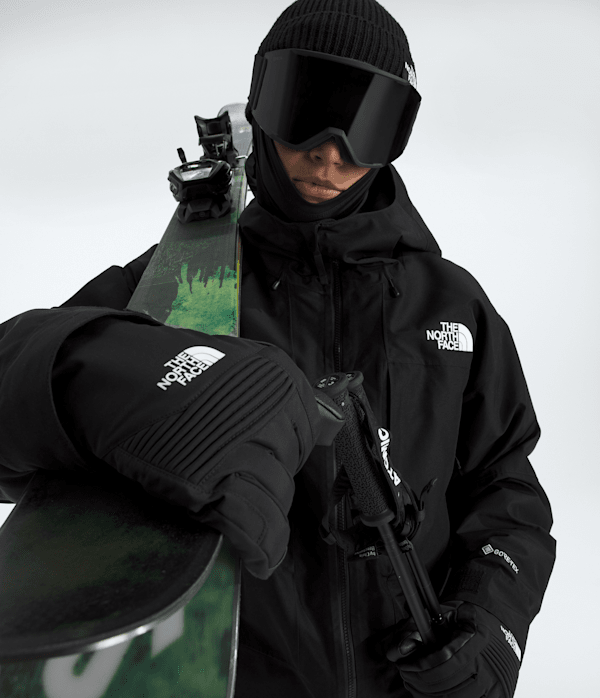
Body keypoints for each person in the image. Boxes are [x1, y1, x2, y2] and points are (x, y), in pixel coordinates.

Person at [0, 1, 555, 696]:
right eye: (308, 109)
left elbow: (506, 486)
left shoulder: (451, 305)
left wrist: (491, 624)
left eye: (366, 125)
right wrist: (157, 382)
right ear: (263, 104)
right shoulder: (182, 288)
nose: (331, 152)